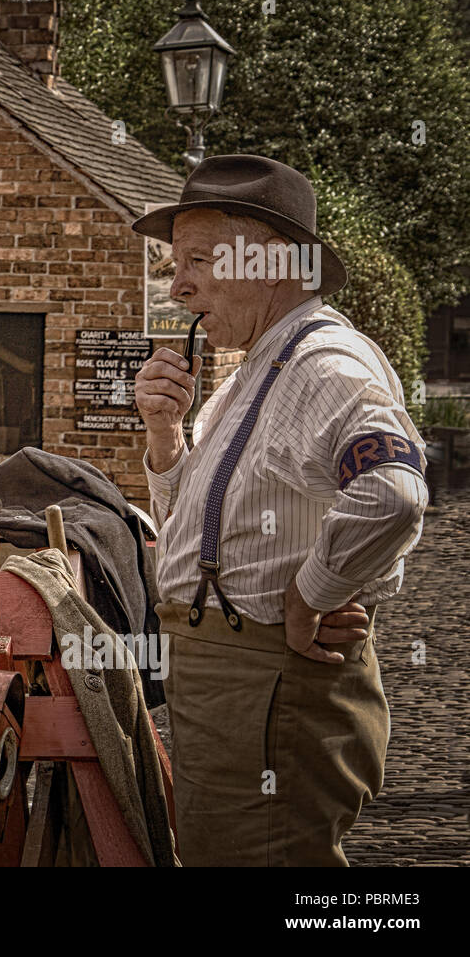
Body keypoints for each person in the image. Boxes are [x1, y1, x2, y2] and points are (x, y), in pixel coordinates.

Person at [131, 155, 428, 866]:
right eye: (178, 264)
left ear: (269, 262)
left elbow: (394, 490)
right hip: (233, 687)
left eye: (199, 260)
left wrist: (312, 593)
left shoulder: (323, 365)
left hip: (267, 689)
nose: (177, 287)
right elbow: (196, 534)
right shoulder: (259, 370)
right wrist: (166, 438)